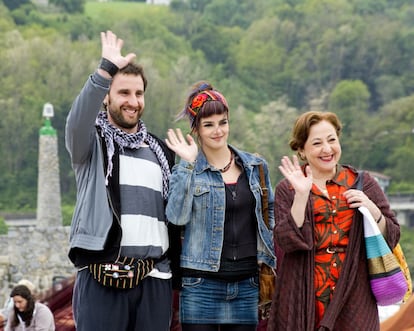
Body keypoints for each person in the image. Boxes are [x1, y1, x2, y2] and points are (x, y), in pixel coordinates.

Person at [65, 31, 176, 331]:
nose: (133, 101)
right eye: (123, 93)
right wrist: (105, 70)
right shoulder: (91, 144)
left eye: (138, 94)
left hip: (154, 278)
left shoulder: (161, 151)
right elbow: (76, 123)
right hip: (101, 273)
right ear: (106, 96)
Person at [267, 111, 401, 331]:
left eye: (332, 140)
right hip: (304, 294)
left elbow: (393, 235)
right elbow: (285, 242)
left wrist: (371, 208)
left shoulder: (362, 182)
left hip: (354, 293)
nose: (327, 149)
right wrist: (301, 197)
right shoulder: (288, 187)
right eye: (317, 143)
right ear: (301, 149)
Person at [165, 81, 276, 331]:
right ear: (196, 130)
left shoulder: (256, 166)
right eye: (208, 125)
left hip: (247, 284)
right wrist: (187, 164)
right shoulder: (188, 169)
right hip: (200, 285)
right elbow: (176, 217)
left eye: (222, 122)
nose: (217, 131)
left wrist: (266, 252)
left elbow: (268, 211)